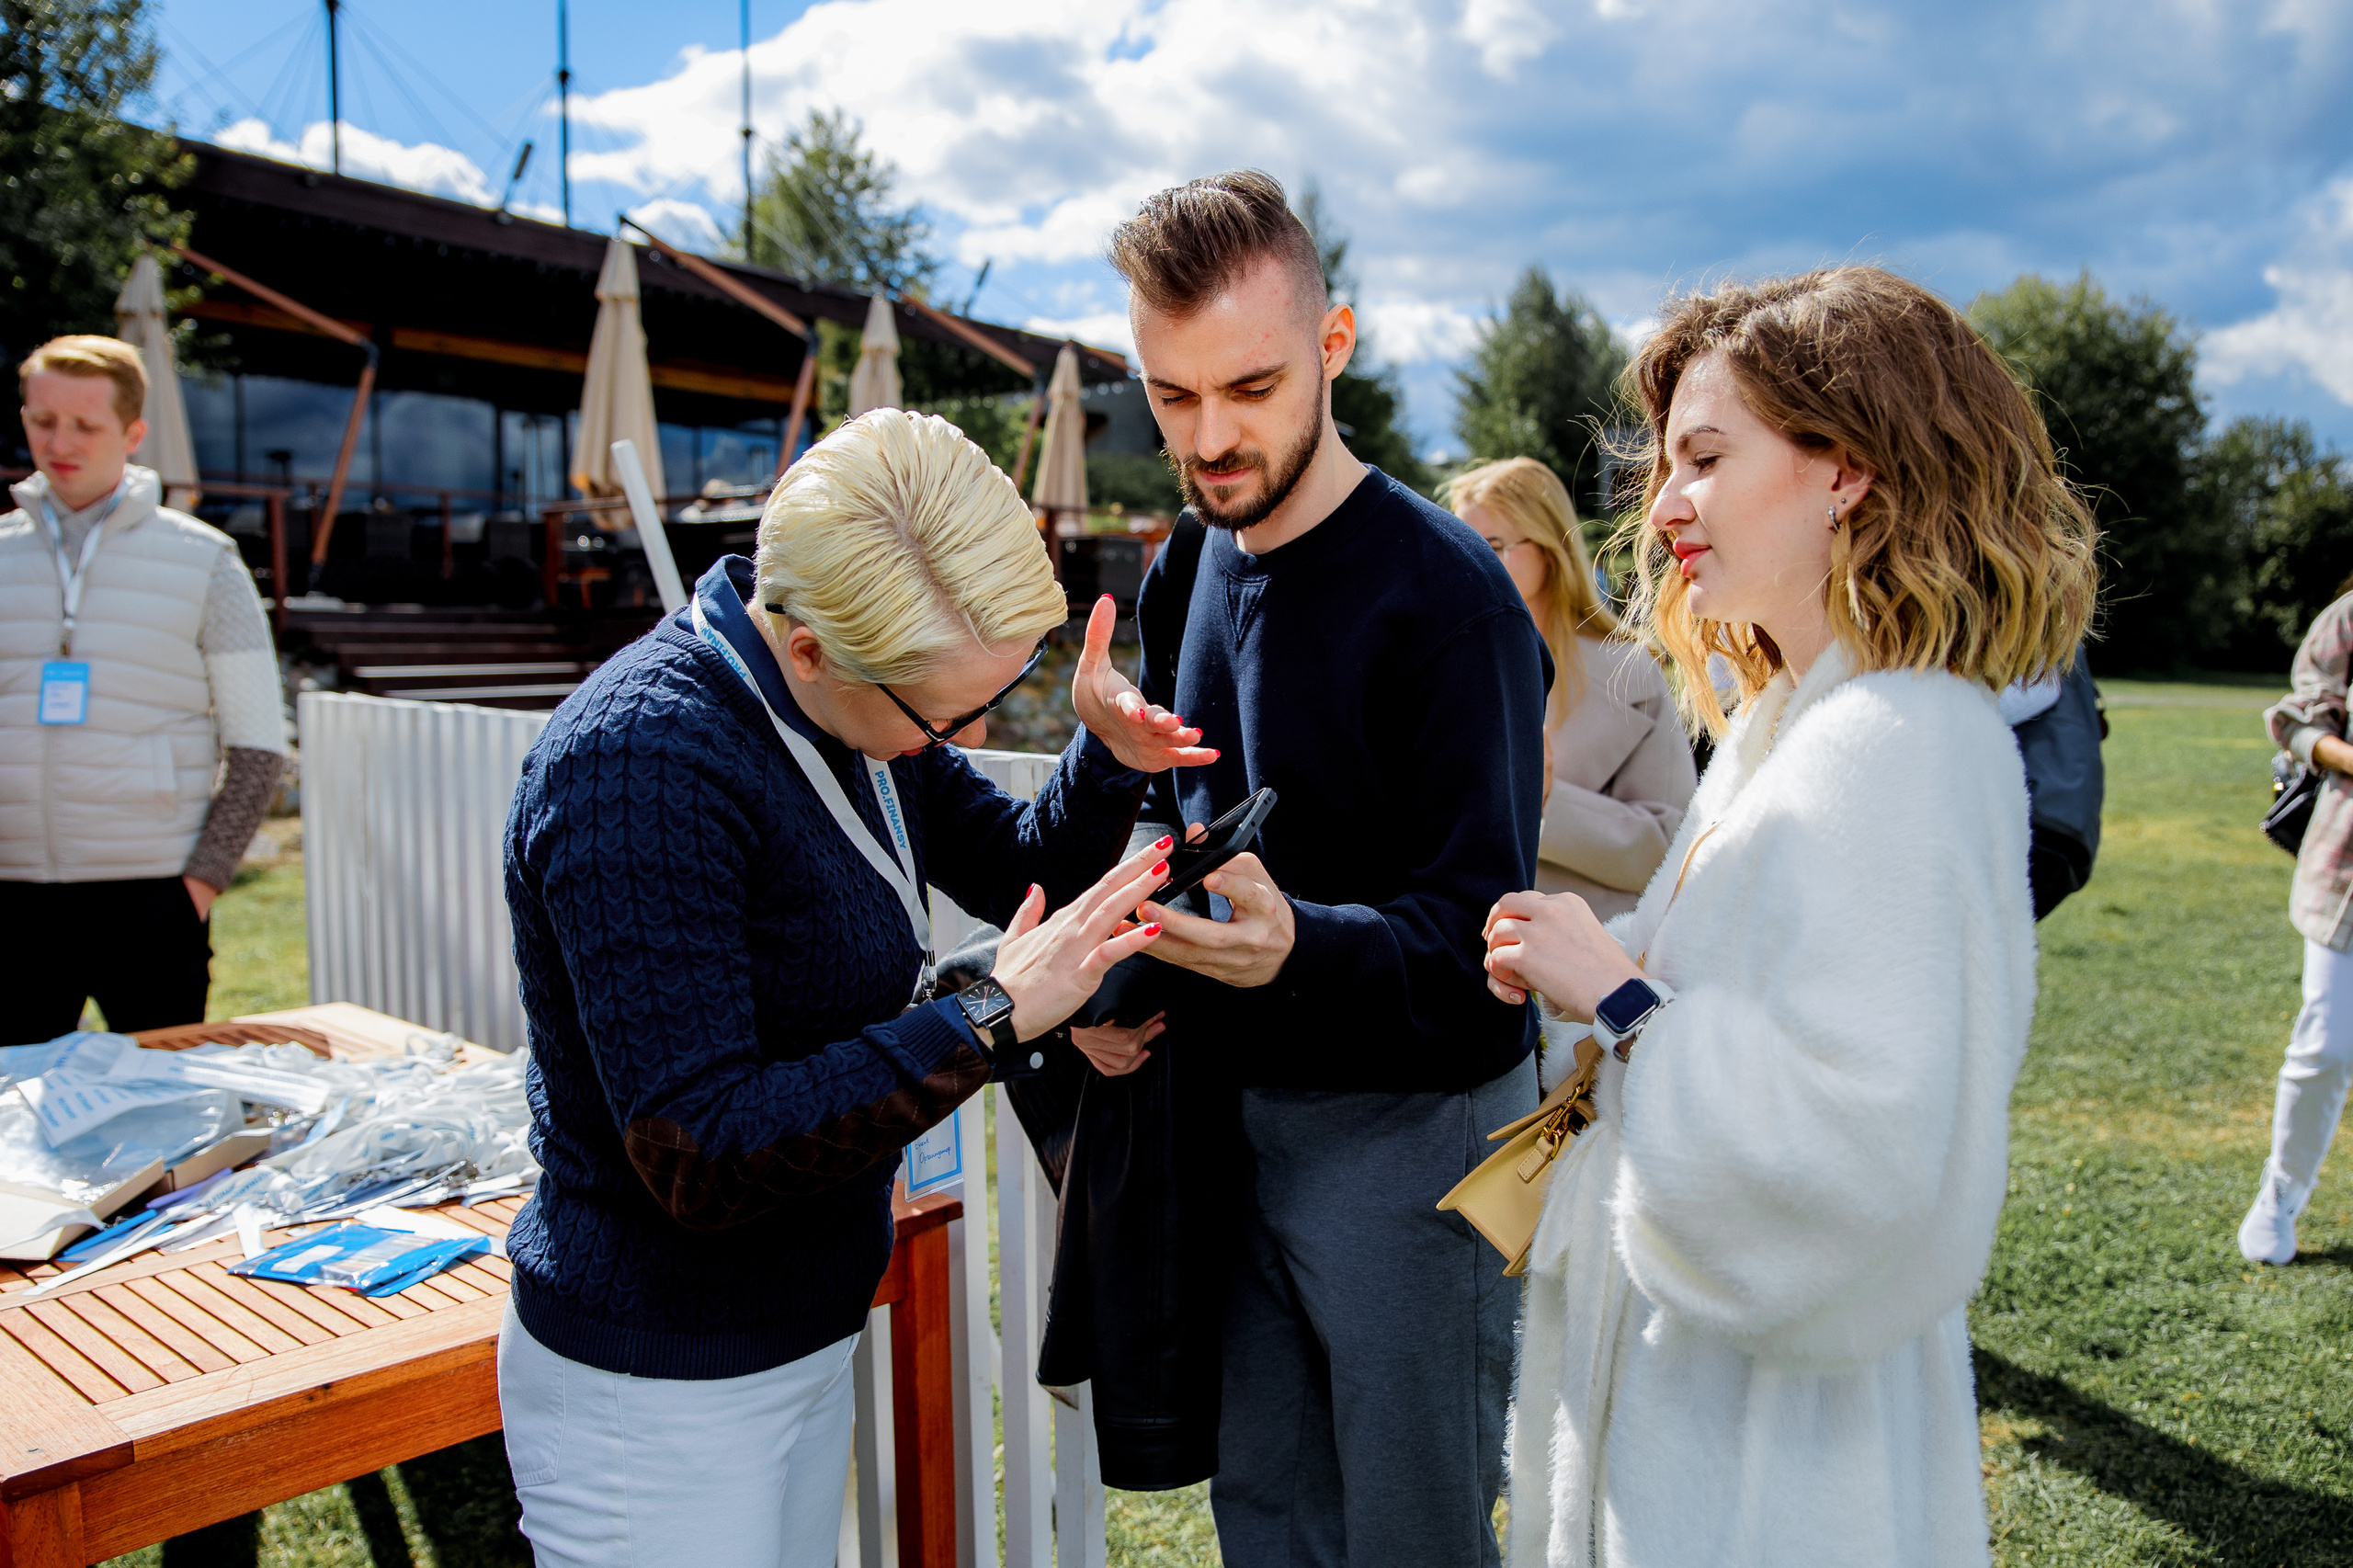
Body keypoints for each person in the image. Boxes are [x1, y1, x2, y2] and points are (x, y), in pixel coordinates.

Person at [496, 409, 1214, 1568]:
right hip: (657, 1374)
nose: (969, 732)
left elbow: (1014, 862)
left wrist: (1099, 757)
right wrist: (988, 1015)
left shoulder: (845, 707)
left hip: (795, 1328)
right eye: (947, 713)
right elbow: (702, 1149)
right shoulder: (641, 765)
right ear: (812, 647)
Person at [1483, 267, 2097, 1567]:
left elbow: (1862, 1162)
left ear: (1847, 471)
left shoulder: (1900, 741)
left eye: (1706, 457)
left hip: (1775, 1471)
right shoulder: (1785, 725)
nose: (1663, 506)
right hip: (1693, 1415)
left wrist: (1622, 994)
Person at [1081, 171, 1549, 1567]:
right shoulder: (1189, 562)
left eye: (1251, 386)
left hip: (1419, 1137)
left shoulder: (1454, 603)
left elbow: (1488, 954)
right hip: (1233, 1114)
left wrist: (1302, 947)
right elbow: (1194, 810)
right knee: (1270, 1514)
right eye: (1172, 398)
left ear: (1336, 343)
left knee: (1412, 1534)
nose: (1211, 438)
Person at [1, 335, 285, 1042]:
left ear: (133, 434)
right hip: (11, 904)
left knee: (163, 1131)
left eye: (85, 425)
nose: (59, 441)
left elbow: (258, 746)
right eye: (42, 420)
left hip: (153, 900)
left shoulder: (207, 561)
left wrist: (198, 886)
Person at [1441, 457, 1696, 920]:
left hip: (1592, 955)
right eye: (1463, 546)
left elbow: (1672, 846)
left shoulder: (1631, 673)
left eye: (1494, 545)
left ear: (1548, 548)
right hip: (1453, 951)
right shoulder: (1437, 667)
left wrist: (1547, 799)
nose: (1475, 564)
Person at [2240, 591, 2353, 1265]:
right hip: (2347, 872)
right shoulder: (2349, 614)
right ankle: (2279, 1193)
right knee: (2328, 1043)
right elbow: (2293, 722)